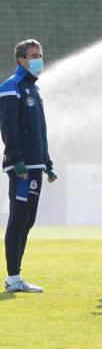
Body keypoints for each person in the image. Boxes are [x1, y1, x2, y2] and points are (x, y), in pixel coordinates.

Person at [1, 39, 57, 293]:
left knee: (28, 220)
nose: (39, 59)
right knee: (18, 218)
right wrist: (15, 159)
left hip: (35, 165)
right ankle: (13, 279)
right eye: (34, 55)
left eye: (40, 54)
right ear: (21, 60)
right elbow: (8, 128)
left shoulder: (34, 89)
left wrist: (47, 162)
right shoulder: (11, 87)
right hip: (22, 167)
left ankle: (16, 278)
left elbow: (40, 130)